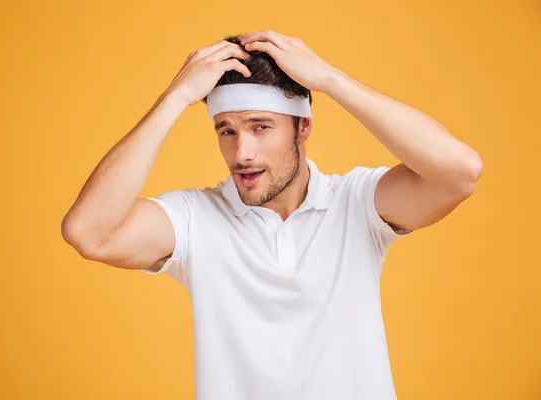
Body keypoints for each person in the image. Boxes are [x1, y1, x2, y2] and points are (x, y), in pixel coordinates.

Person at [62, 29, 483, 400]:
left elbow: (459, 172)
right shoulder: (195, 219)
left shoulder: (356, 203)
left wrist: (330, 80)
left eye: (260, 127)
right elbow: (88, 232)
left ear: (303, 128)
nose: (241, 153)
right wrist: (175, 98)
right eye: (226, 130)